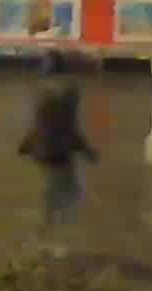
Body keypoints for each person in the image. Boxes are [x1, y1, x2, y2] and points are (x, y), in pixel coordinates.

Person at [18, 69, 99, 221]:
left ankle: (49, 213)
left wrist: (24, 148)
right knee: (71, 187)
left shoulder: (45, 110)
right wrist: (90, 154)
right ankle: (59, 215)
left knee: (52, 183)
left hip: (43, 155)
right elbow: (75, 137)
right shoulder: (66, 112)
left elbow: (35, 132)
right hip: (59, 156)